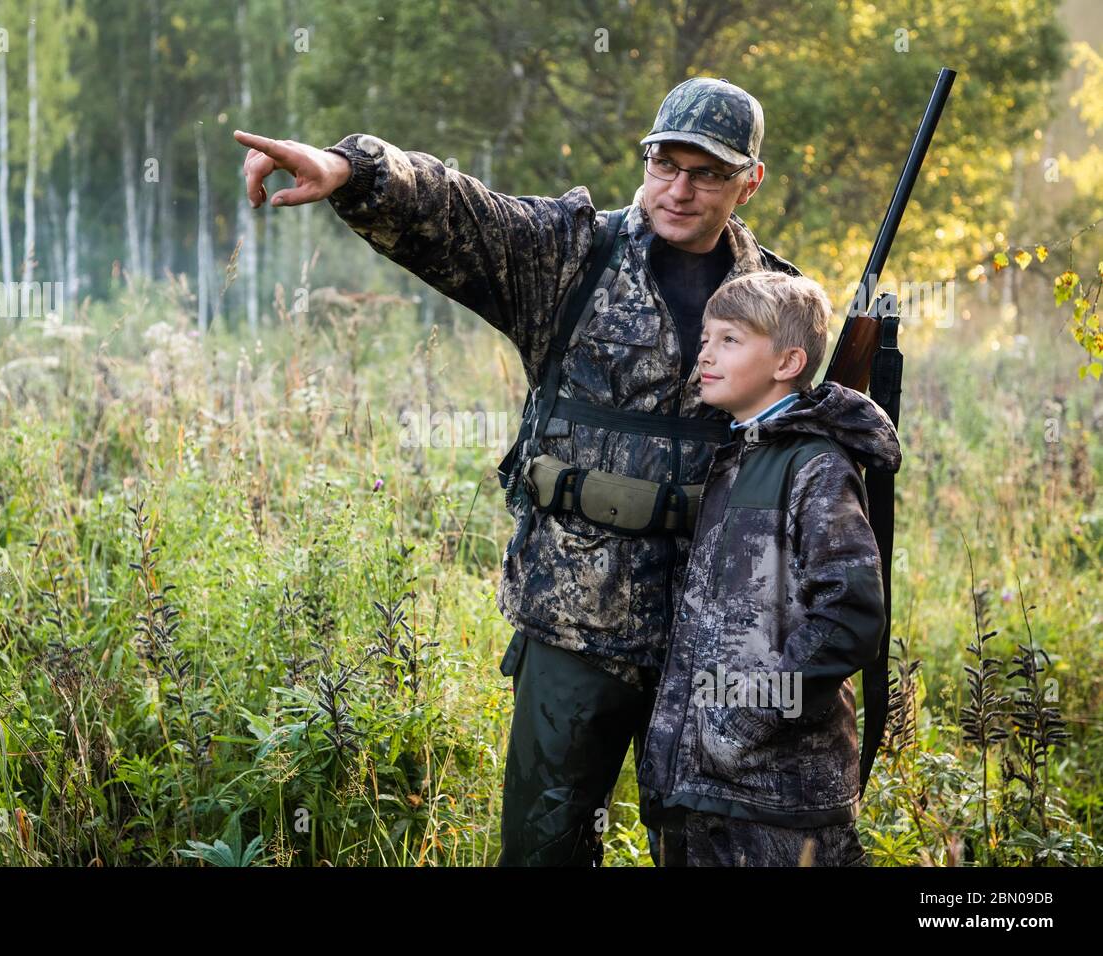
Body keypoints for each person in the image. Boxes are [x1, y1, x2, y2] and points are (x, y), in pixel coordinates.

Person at [234, 77, 803, 866]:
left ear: (751, 180)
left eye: (707, 173)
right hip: (576, 623)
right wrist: (352, 170)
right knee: (546, 849)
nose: (679, 190)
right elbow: (457, 210)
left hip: (719, 634)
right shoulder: (572, 255)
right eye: (664, 164)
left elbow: (809, 455)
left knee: (716, 852)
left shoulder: (778, 301)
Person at [636, 270, 902, 866]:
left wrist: (744, 720)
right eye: (705, 339)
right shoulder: (731, 454)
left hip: (778, 795)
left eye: (730, 340)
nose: (706, 354)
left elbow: (849, 617)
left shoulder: (816, 467)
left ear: (788, 362)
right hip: (700, 789)